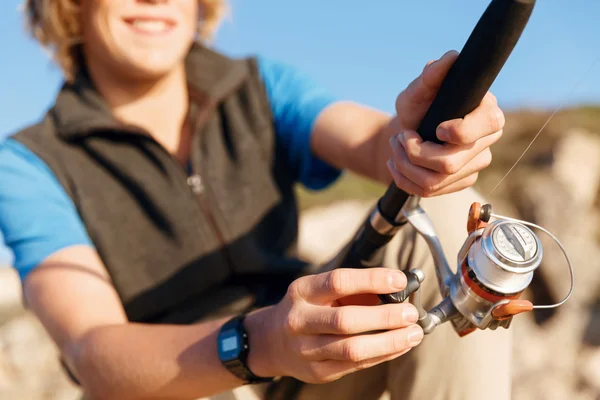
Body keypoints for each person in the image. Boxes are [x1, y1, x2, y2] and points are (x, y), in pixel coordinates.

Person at [0, 0, 510, 399]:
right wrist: (261, 342)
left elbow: (377, 143)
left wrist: (424, 145)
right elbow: (93, 352)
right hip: (176, 384)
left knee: (443, 204)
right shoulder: (28, 162)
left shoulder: (259, 86)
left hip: (310, 372)